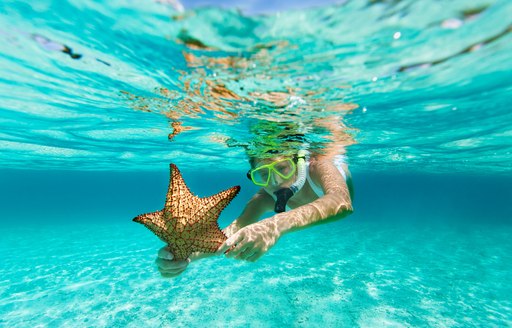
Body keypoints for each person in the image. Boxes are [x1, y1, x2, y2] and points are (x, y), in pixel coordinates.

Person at [155, 149, 354, 278]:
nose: (275, 181)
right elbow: (232, 231)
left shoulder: (318, 166)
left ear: (299, 163)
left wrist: (273, 227)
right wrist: (185, 255)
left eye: (283, 168)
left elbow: (342, 201)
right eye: (264, 174)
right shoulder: (265, 198)